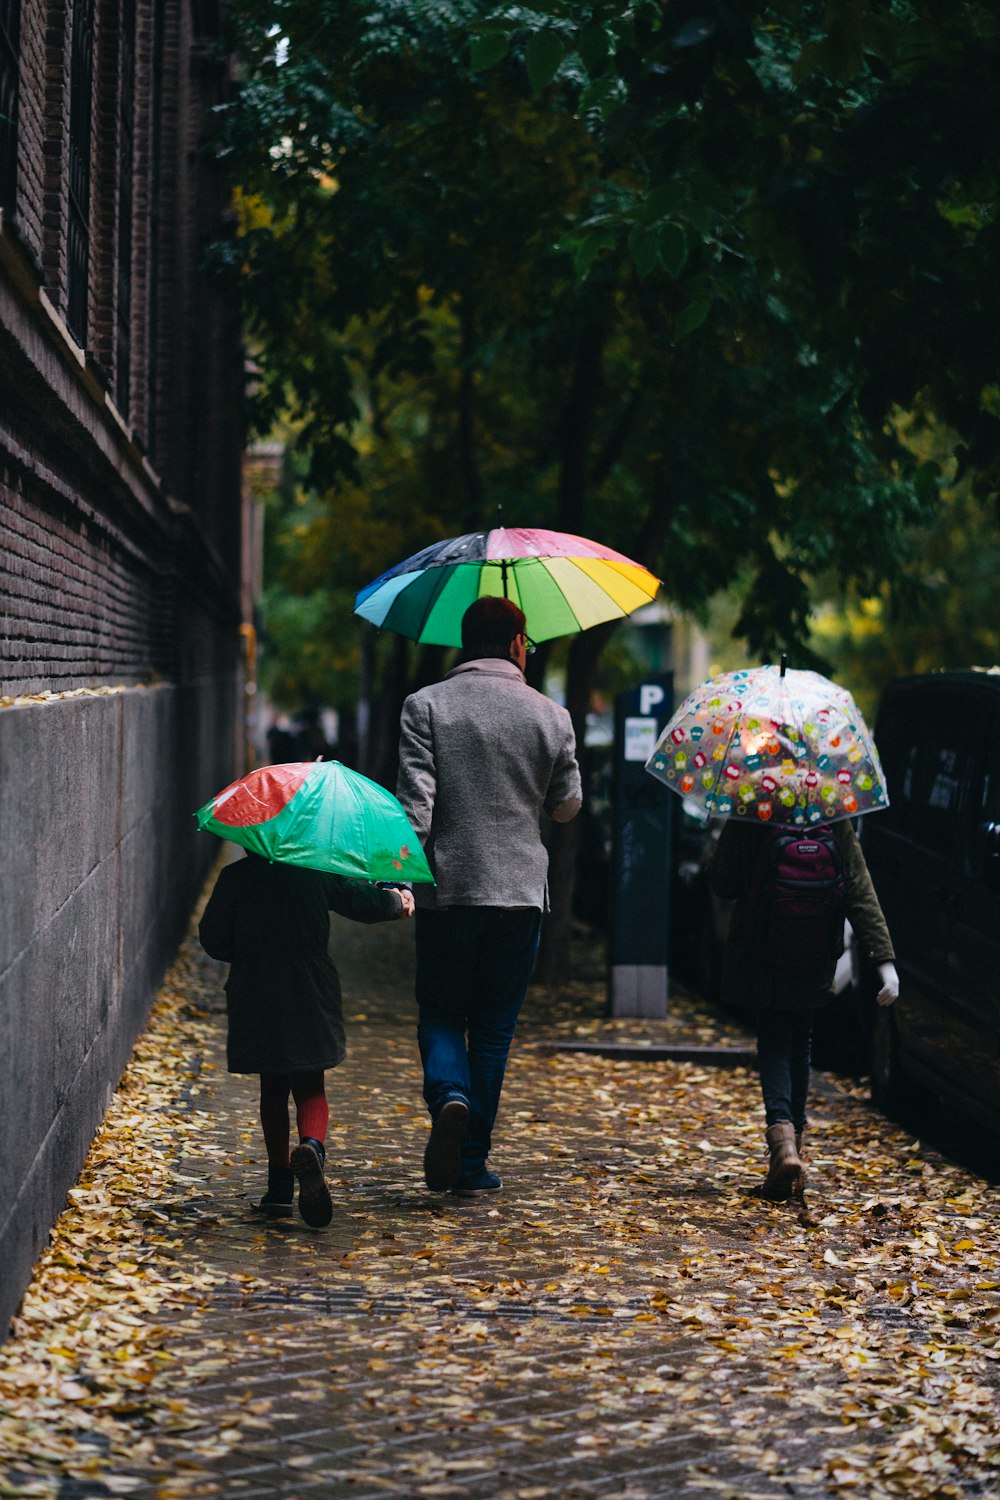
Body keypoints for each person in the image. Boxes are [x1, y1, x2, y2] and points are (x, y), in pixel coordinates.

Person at [396, 596, 582, 1197]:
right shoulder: (552, 716)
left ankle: (450, 1094)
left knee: (443, 1012)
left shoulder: (425, 706)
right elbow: (566, 804)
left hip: (448, 888)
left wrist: (400, 877)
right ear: (515, 644)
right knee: (495, 1030)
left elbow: (415, 807)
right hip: (519, 893)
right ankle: (471, 1163)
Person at [199, 852, 414, 1226]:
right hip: (310, 986)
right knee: (311, 1083)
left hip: (256, 987)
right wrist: (397, 900)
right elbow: (362, 902)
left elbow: (214, 941)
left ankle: (279, 1190)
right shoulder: (317, 871)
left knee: (273, 1087)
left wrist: (249, 952)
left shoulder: (236, 876)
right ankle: (311, 1147)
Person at [709, 817, 898, 1201]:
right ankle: (794, 1146)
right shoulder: (832, 808)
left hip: (761, 950)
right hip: (814, 949)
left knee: (775, 1040)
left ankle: (783, 1148)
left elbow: (723, 883)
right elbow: (859, 890)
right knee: (801, 1039)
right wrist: (885, 962)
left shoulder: (752, 802)